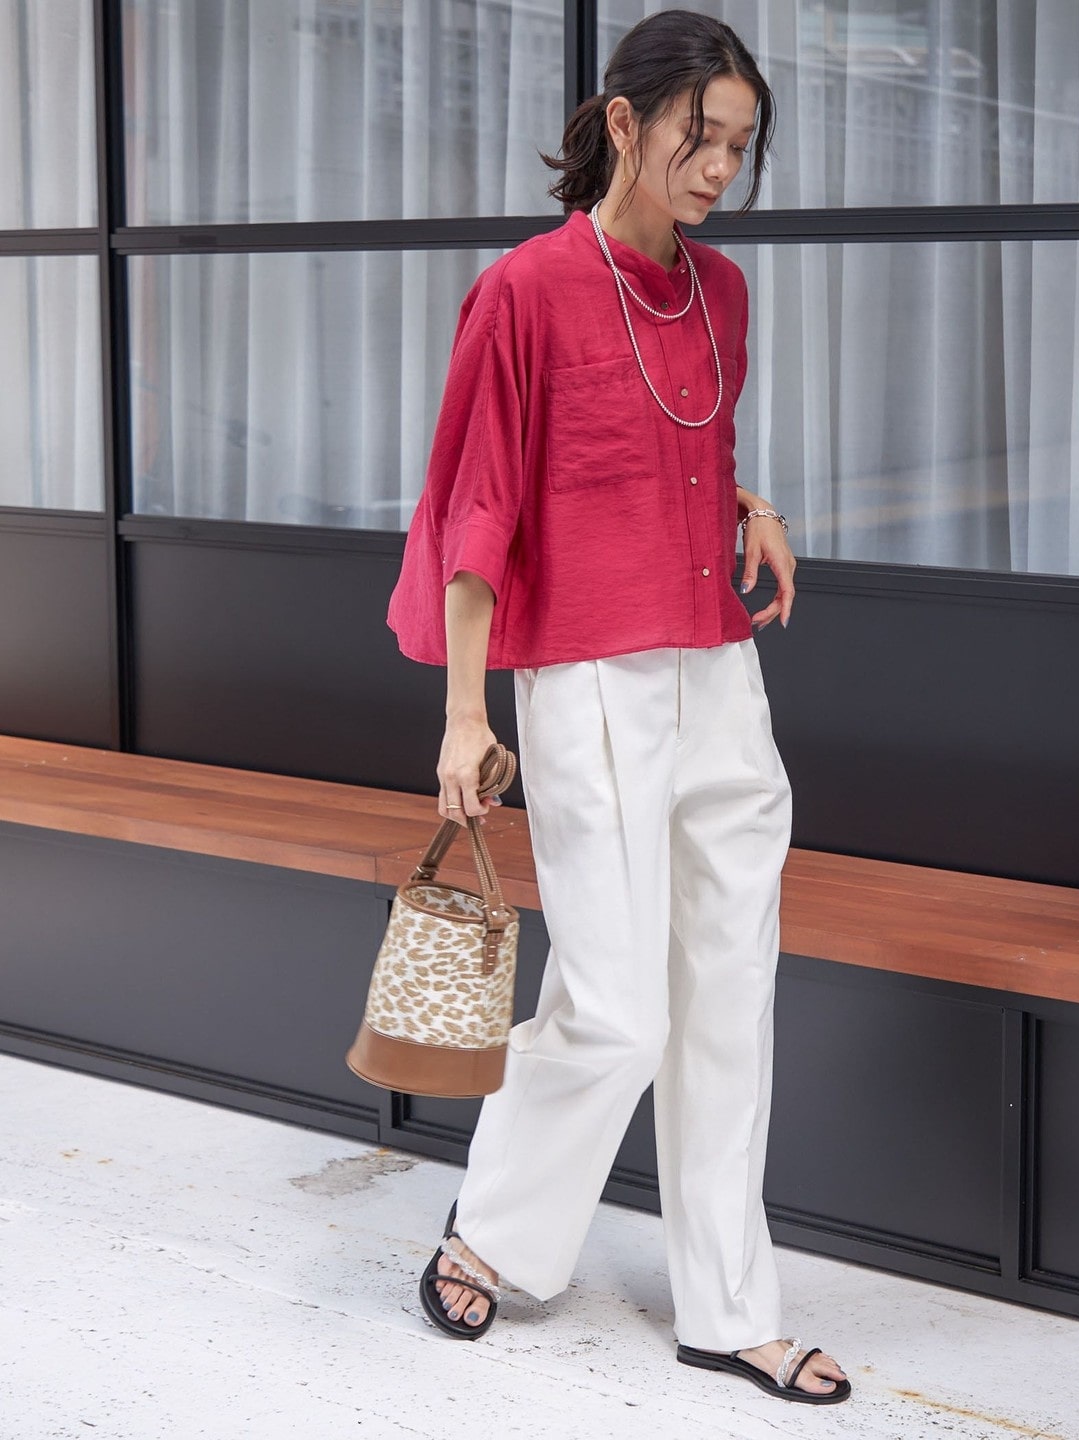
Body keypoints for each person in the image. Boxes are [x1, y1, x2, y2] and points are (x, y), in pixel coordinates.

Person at [387, 8, 851, 1407]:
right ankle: (493, 1232)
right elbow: (483, 504)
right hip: (587, 676)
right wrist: (466, 714)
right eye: (698, 137)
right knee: (616, 1011)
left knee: (731, 997)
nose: (717, 168)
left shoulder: (723, 291)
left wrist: (752, 502)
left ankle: (730, 1306)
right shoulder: (525, 290)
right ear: (624, 123)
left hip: (719, 674)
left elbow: (672, 439)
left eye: (739, 147)